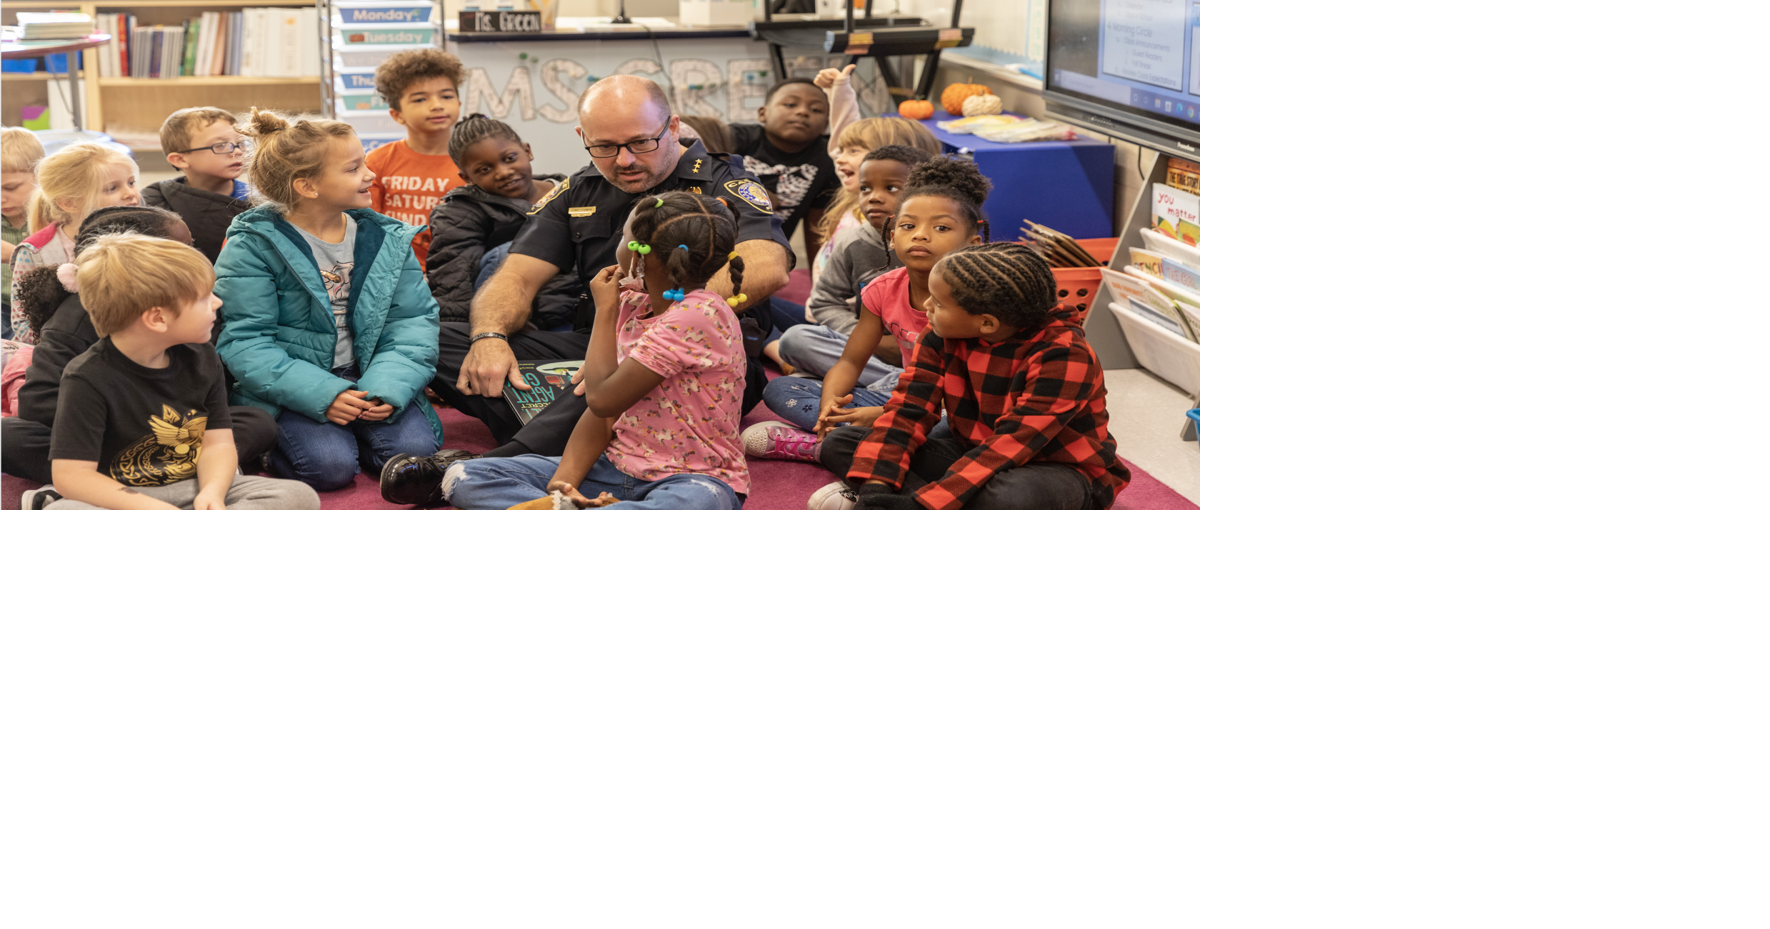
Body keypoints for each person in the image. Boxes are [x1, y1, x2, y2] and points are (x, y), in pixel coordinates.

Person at [382, 74, 792, 502]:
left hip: (694, 364)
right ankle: (559, 425)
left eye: (640, 143)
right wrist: (490, 337)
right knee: (439, 339)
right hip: (598, 340)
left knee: (606, 389)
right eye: (605, 147)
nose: (625, 160)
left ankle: (506, 456)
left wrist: (656, 334)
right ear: (583, 138)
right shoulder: (578, 188)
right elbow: (516, 275)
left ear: (672, 128)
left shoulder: (723, 180)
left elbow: (767, 265)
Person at [439, 192, 750, 510]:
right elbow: (603, 418)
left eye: (624, 234)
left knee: (700, 502)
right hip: (615, 469)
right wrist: (562, 487)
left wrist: (605, 312)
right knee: (463, 475)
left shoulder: (699, 314)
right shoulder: (634, 302)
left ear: (639, 254)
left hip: (692, 480)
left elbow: (601, 400)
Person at [215, 108, 442, 492]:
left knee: (416, 453)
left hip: (371, 374)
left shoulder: (387, 238)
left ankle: (356, 433)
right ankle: (283, 447)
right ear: (307, 186)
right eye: (354, 168)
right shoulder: (252, 246)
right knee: (329, 468)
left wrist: (386, 387)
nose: (370, 175)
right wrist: (326, 394)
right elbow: (245, 341)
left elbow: (412, 322)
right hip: (294, 386)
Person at [810, 243, 1130, 511]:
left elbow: (1009, 446)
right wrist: (875, 494)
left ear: (987, 323)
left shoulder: (1065, 355)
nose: (925, 306)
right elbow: (907, 412)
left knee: (1011, 497)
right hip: (972, 453)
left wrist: (922, 505)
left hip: (1057, 470)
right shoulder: (939, 334)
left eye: (937, 302)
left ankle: (920, 500)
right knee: (841, 444)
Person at [20, 232, 319, 511]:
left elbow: (218, 443)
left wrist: (213, 492)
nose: (218, 303)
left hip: (190, 486)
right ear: (158, 318)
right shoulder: (86, 377)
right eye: (205, 298)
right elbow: (73, 476)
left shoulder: (202, 355)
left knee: (298, 496)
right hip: (120, 495)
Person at [1, 206, 279, 484]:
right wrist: (132, 420)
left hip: (177, 435)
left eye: (191, 246)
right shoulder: (72, 324)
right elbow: (37, 404)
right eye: (182, 248)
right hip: (102, 439)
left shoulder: (193, 319)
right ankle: (169, 477)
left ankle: (126, 481)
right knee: (8, 437)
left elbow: (212, 399)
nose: (194, 255)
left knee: (258, 422)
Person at [747, 156, 988, 459]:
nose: (921, 234)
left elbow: (972, 396)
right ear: (891, 236)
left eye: (941, 227)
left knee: (952, 430)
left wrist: (880, 415)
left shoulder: (980, 299)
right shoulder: (882, 289)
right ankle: (849, 438)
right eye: (908, 225)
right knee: (780, 390)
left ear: (974, 242)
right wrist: (830, 405)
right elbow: (850, 363)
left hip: (954, 406)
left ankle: (831, 447)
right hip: (899, 389)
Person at [776, 144, 931, 382]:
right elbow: (824, 302)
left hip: (936, 356)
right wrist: (873, 340)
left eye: (891, 188)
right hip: (871, 353)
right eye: (865, 189)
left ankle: (899, 390)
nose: (874, 197)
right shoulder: (853, 243)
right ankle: (902, 386)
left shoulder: (941, 243)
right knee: (795, 340)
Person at [425, 113, 575, 328]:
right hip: (509, 314)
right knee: (514, 251)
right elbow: (455, 280)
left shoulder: (573, 193)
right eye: (484, 169)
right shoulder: (458, 211)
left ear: (527, 151)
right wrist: (458, 338)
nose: (503, 172)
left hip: (576, 308)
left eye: (510, 158)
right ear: (466, 178)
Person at [808, 71, 942, 288]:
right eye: (842, 151)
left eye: (853, 151)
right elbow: (844, 133)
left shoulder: (887, 219)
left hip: (848, 312)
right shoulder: (857, 191)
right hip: (826, 301)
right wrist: (838, 91)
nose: (839, 158)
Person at [8, 141, 141, 344]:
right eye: (112, 188)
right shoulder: (34, 252)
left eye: (131, 183)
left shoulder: (146, 237)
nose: (130, 193)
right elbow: (23, 325)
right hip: (60, 355)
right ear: (69, 203)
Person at [366, 47, 466, 268]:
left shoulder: (475, 165)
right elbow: (366, 229)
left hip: (456, 270)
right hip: (391, 272)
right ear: (397, 114)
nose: (437, 105)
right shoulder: (376, 163)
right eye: (420, 99)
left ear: (458, 104)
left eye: (446, 96)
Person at [729, 77, 840, 258]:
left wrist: (819, 283)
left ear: (826, 125)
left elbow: (817, 226)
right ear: (763, 113)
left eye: (816, 109)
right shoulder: (736, 138)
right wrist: (751, 191)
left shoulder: (828, 159)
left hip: (765, 256)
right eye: (790, 105)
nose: (803, 112)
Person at [141, 106, 252, 263]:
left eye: (241, 143)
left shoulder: (257, 201)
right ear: (180, 159)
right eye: (220, 145)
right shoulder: (155, 201)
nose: (237, 152)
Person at [2, 127, 46, 340]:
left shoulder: (53, 217)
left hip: (39, 311)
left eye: (10, 188)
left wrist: (14, 255)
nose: (1, 198)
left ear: (39, 175)